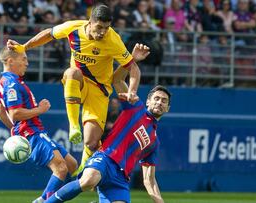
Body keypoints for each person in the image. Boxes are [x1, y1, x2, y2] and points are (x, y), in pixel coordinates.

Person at [7, 4, 142, 175]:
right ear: (90, 22)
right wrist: (24, 47)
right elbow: (49, 34)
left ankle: (85, 165)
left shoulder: (113, 40)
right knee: (71, 72)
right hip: (79, 82)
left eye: (106, 28)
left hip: (99, 90)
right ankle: (73, 126)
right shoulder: (74, 28)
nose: (102, 32)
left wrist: (132, 91)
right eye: (99, 27)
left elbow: (134, 68)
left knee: (91, 143)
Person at [43, 44, 168, 203]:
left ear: (167, 108)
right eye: (156, 98)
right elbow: (117, 80)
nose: (159, 102)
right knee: (89, 180)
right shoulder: (136, 107)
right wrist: (132, 60)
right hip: (106, 157)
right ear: (149, 101)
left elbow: (149, 180)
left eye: (164, 101)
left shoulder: (154, 142)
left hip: (121, 178)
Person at [0, 47, 77, 203]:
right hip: (31, 132)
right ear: (11, 61)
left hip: (33, 131)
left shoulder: (5, 82)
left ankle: (45, 199)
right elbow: (15, 113)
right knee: (60, 168)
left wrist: (15, 132)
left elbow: (0, 112)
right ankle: (46, 201)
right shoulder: (11, 84)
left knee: (72, 165)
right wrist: (40, 109)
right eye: (24, 59)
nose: (27, 63)